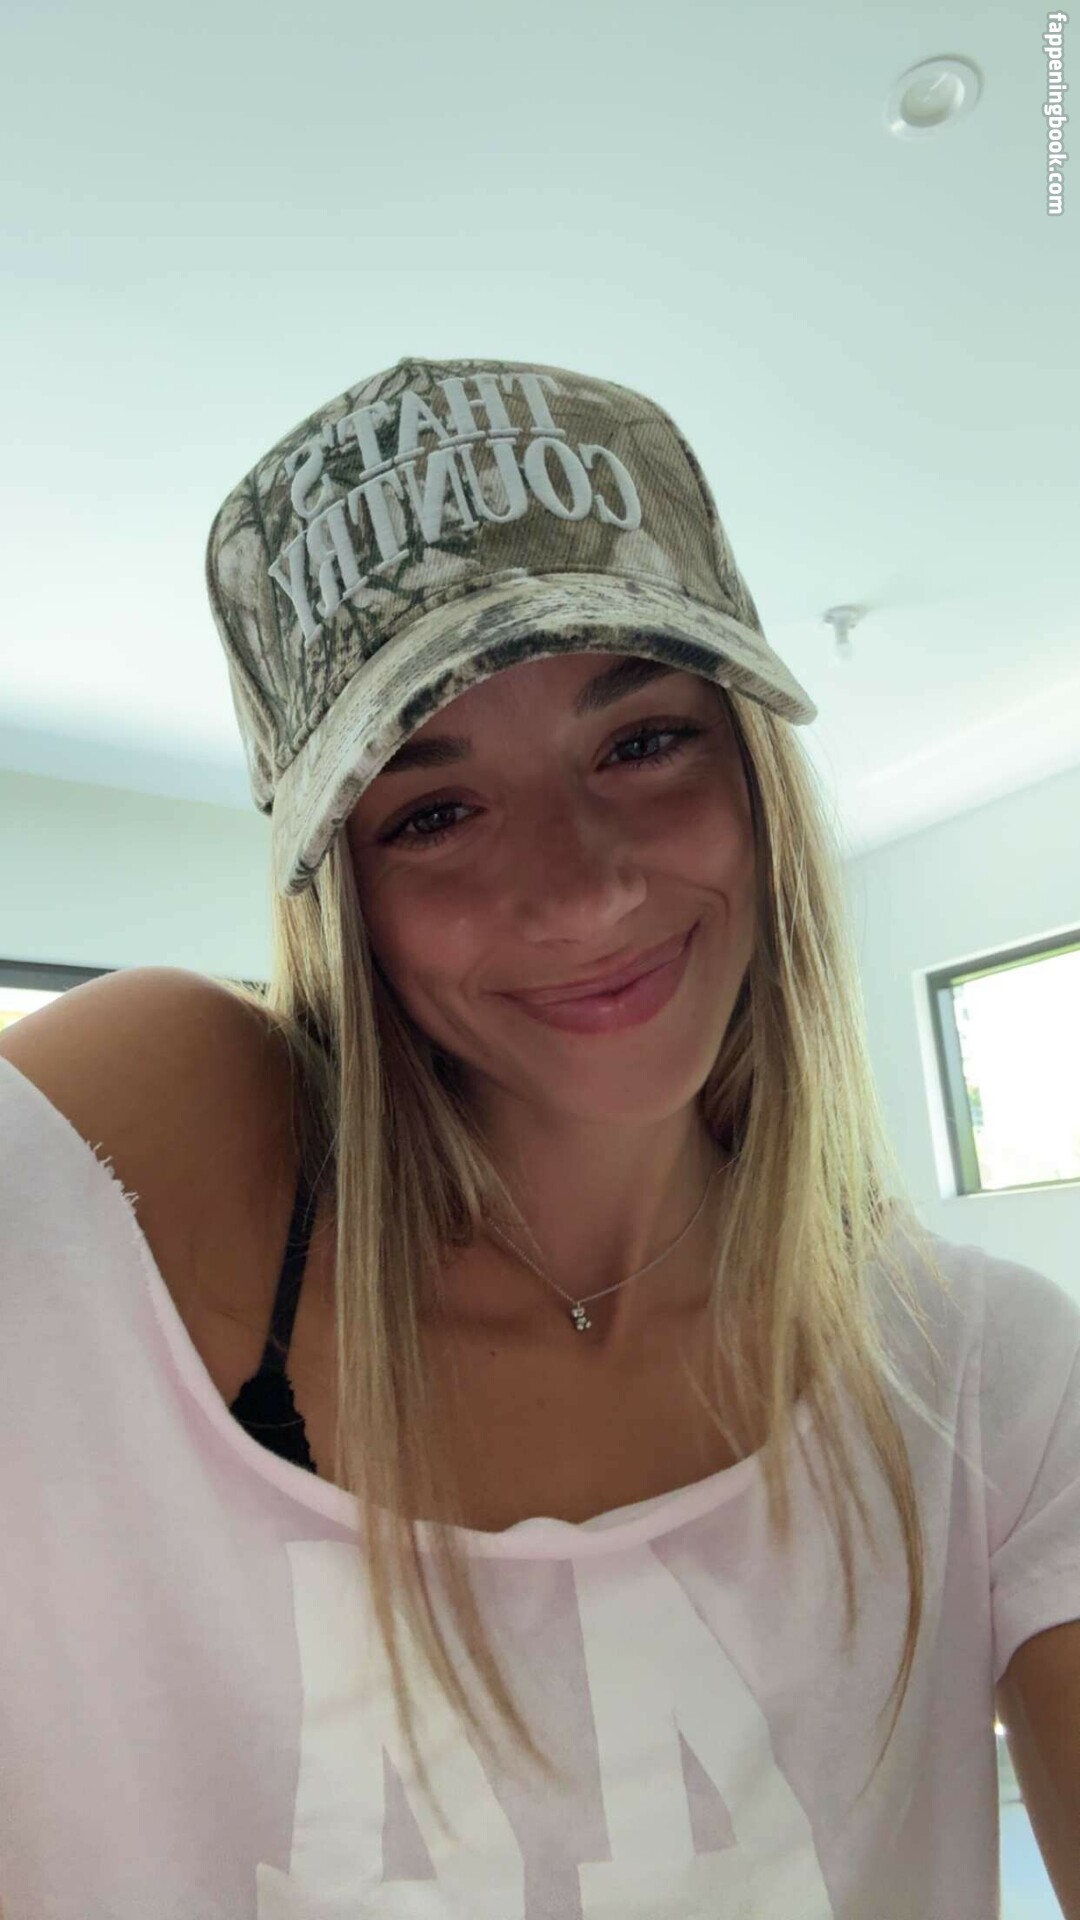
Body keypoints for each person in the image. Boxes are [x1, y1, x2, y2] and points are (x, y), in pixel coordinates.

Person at [2, 355, 1078, 1916]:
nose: (581, 890)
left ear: (754, 771)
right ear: (347, 897)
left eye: (642, 741)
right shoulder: (148, 1150)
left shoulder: (986, 1377)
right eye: (433, 814)